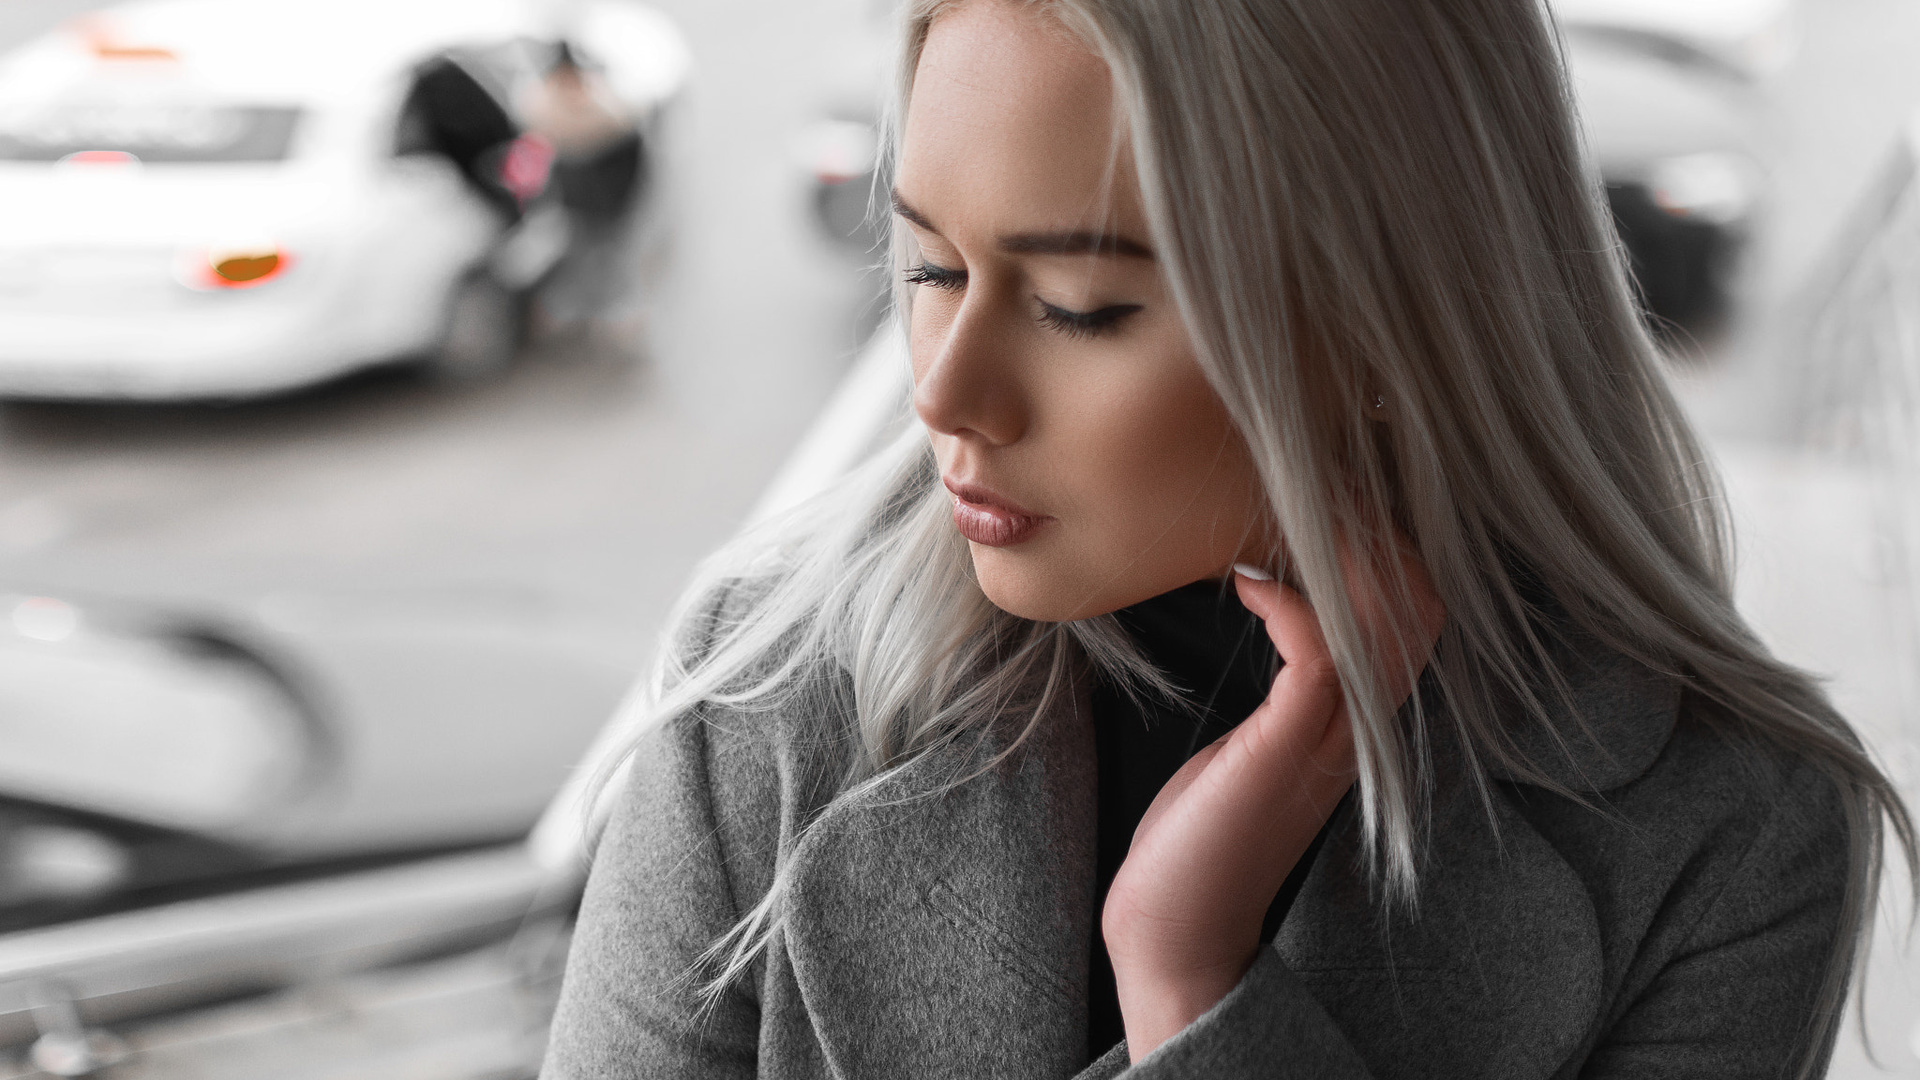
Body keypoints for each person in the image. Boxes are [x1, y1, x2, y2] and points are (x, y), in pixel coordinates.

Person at [540, 0, 1914, 1076]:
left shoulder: (1732, 840)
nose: (943, 391)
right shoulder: (770, 687)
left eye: (1079, 305)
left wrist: (1190, 985)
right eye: (932, 269)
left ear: (1385, 325)